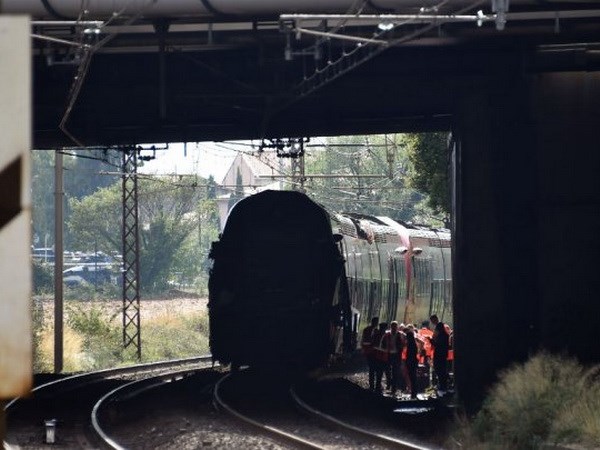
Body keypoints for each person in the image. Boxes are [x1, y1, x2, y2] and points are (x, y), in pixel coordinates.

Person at [380, 321, 406, 397]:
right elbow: (382, 343)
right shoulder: (387, 334)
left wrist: (401, 347)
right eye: (393, 326)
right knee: (387, 370)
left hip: (396, 355)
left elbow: (404, 343)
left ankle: (393, 388)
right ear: (391, 327)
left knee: (395, 372)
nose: (394, 328)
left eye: (395, 326)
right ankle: (389, 382)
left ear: (397, 327)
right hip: (388, 354)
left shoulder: (400, 335)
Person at [430, 314, 450, 396]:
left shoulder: (441, 336)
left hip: (439, 354)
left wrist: (431, 340)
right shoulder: (445, 335)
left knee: (439, 369)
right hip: (443, 354)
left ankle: (442, 385)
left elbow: (437, 344)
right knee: (442, 369)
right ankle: (443, 385)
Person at [360, 317, 379, 392]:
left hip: (371, 351)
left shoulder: (368, 330)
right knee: (373, 368)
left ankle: (372, 385)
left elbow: (363, 340)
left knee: (372, 368)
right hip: (372, 351)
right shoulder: (375, 331)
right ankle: (372, 385)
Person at [404, 324, 419, 399]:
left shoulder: (410, 345)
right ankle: (414, 393)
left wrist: (408, 361)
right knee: (413, 378)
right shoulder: (414, 344)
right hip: (414, 361)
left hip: (410, 362)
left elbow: (409, 354)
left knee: (412, 377)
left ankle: (413, 394)